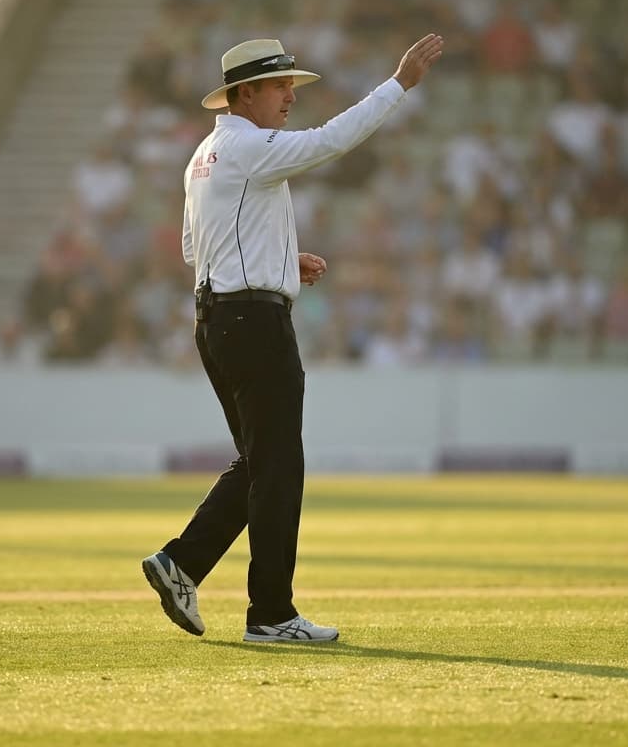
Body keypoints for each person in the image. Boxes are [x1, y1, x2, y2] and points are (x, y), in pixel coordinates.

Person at [142, 33, 444, 644]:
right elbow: (330, 141)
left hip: (218, 321)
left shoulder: (203, 154)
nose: (289, 97)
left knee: (261, 462)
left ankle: (182, 564)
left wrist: (278, 258)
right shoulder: (252, 147)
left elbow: (191, 249)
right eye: (280, 86)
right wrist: (399, 84)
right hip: (253, 325)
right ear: (244, 93)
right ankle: (270, 614)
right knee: (278, 467)